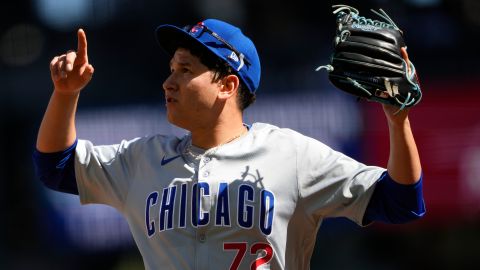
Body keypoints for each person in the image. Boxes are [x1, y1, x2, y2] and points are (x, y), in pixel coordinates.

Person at [33, 18, 425, 270]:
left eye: (186, 71)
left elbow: (401, 202)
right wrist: (65, 95)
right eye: (170, 69)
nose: (169, 82)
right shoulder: (142, 159)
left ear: (227, 84)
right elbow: (55, 166)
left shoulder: (291, 154)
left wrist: (398, 120)